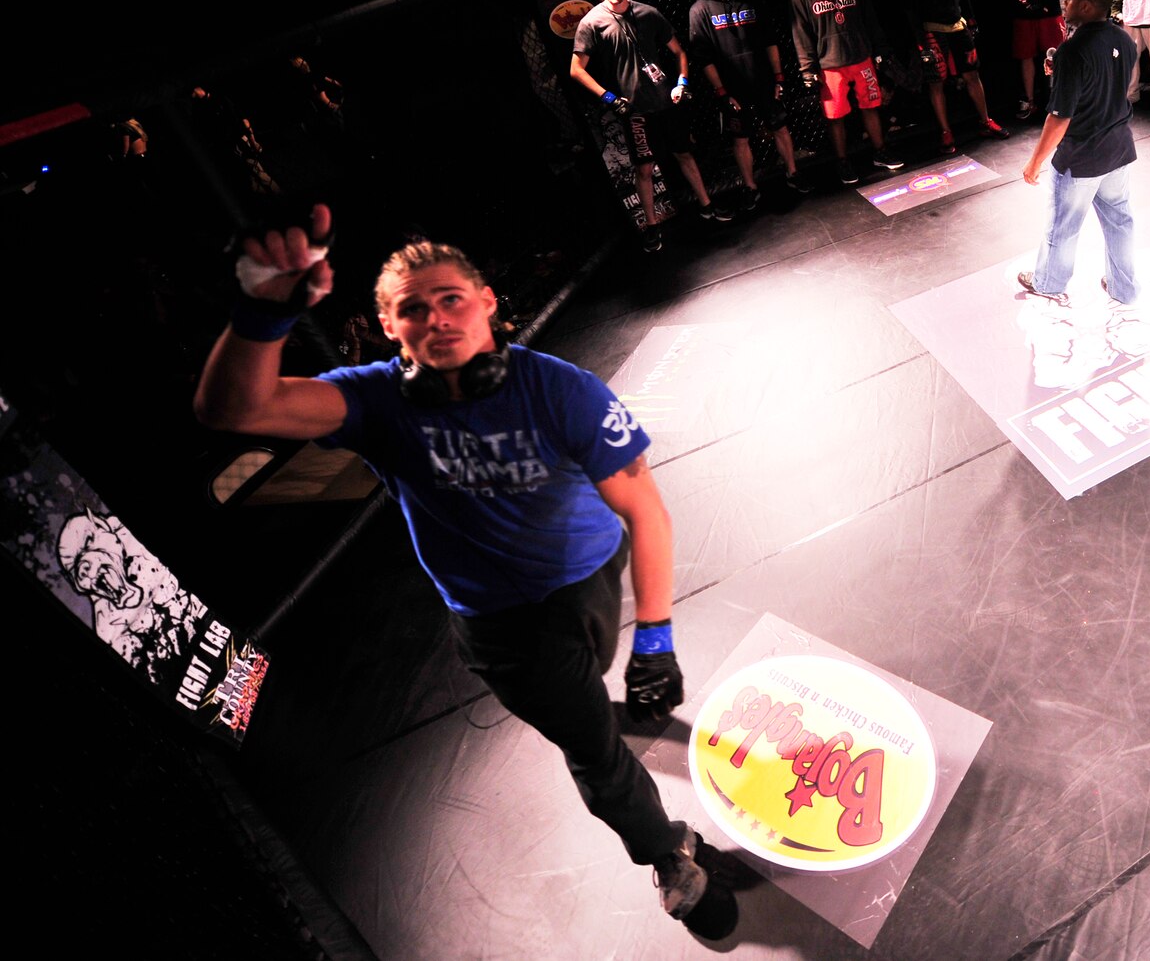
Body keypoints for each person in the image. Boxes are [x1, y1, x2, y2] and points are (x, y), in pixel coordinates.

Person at [190, 206, 746, 941]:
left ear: (487, 302)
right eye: (412, 309)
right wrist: (262, 311)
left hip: (592, 571)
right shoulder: (376, 401)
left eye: (451, 297)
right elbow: (235, 407)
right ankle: (669, 852)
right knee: (595, 751)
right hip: (506, 627)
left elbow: (644, 506)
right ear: (390, 328)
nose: (437, 318)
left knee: (602, 676)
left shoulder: (559, 388)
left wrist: (655, 637)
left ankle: (593, 688)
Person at [569, 0, 732, 251]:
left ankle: (707, 205)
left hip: (666, 103)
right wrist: (608, 97)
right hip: (635, 111)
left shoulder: (648, 13)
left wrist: (681, 83)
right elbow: (576, 70)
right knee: (644, 168)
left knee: (685, 154)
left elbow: (680, 52)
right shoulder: (591, 23)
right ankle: (652, 226)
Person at [1017, 0, 1140, 306]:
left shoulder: (1073, 52)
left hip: (1081, 159)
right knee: (1120, 223)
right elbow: (1104, 83)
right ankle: (1124, 287)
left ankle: (1048, 283)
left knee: (1062, 227)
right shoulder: (1125, 40)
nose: (1065, 2)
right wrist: (1064, 71)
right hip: (1118, 151)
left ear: (1085, 6)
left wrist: (1034, 162)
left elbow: (1060, 117)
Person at [687, 0, 807, 209]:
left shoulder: (749, 0)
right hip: (733, 89)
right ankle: (750, 188)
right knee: (740, 139)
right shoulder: (700, 10)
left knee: (781, 127)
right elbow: (703, 58)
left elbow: (770, 41)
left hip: (763, 80)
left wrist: (779, 78)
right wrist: (722, 92)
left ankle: (793, 174)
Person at [789, 0, 905, 186]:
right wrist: (807, 69)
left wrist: (880, 49)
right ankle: (842, 161)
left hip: (860, 57)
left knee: (871, 106)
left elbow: (869, 19)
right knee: (836, 116)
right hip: (829, 65)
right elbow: (801, 34)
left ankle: (880, 151)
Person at [906, 0, 1010, 153]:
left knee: (972, 74)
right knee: (936, 82)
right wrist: (920, 41)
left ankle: (985, 122)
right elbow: (909, 3)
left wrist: (970, 17)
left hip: (958, 23)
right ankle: (945, 132)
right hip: (933, 29)